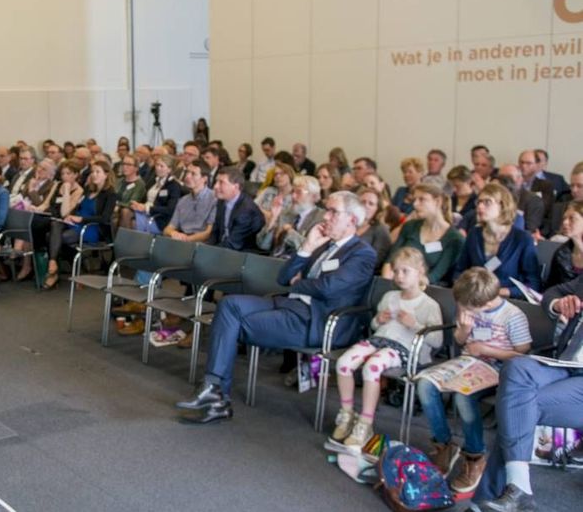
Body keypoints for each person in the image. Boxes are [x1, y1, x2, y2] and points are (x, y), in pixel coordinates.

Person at [175, 191, 377, 424]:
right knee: (229, 304)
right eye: (326, 210)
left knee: (233, 324)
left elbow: (328, 288)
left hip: (317, 321)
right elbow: (284, 277)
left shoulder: (362, 253)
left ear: (351, 219)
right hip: (290, 304)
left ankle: (216, 394)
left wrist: (300, 283)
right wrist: (307, 247)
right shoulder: (322, 245)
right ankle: (214, 389)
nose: (326, 217)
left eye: (333, 212)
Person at [416, 267, 531, 496]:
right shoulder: (468, 306)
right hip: (468, 363)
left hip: (499, 368)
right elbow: (460, 341)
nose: (465, 311)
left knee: (463, 397)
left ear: (487, 303)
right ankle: (444, 445)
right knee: (425, 385)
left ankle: (475, 455)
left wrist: (487, 349)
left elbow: (523, 355)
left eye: (469, 309)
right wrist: (465, 329)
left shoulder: (512, 316)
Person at [472, 275, 583, 510]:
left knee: (516, 407)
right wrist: (559, 304)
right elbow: (554, 292)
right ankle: (518, 486)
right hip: (567, 364)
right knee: (518, 368)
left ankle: (489, 502)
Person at [329, 248, 442, 450]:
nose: (399, 276)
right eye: (396, 271)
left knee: (372, 367)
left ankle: (365, 423)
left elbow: (437, 340)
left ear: (419, 271)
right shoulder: (390, 296)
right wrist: (378, 320)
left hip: (404, 349)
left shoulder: (429, 305)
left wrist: (414, 324)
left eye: (405, 271)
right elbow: (375, 326)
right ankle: (346, 413)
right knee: (344, 363)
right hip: (380, 340)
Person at [453, 183, 541, 299]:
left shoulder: (522, 239)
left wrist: (500, 292)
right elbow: (459, 271)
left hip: (508, 302)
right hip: (474, 298)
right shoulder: (474, 234)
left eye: (487, 202)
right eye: (478, 202)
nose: (480, 207)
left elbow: (533, 285)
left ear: (503, 205)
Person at [44, 161, 117, 290]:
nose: (94, 175)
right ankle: (54, 263)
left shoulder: (110, 194)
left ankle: (58, 272)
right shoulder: (89, 189)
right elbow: (78, 207)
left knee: (61, 238)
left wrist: (81, 219)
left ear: (106, 174)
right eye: (92, 172)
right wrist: (70, 216)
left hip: (92, 227)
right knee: (53, 228)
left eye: (97, 172)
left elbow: (104, 218)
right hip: (76, 222)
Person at [382, 184, 464, 285]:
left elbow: (435, 276)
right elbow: (391, 260)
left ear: (438, 201)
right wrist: (385, 284)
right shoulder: (409, 226)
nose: (415, 204)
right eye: (414, 200)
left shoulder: (455, 239)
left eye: (422, 199)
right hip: (398, 281)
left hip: (428, 290)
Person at [256, 175, 325, 258]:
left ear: (314, 196)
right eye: (293, 192)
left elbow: (313, 248)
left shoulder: (322, 218)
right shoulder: (285, 213)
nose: (293, 196)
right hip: (273, 262)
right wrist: (272, 219)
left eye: (299, 192)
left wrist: (289, 232)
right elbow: (262, 245)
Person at [209, 168, 264, 251]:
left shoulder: (247, 210)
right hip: (224, 248)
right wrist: (204, 248)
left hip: (243, 254)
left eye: (221, 183)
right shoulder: (221, 201)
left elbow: (234, 244)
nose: (215, 186)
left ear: (235, 187)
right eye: (216, 181)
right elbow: (215, 232)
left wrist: (209, 252)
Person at [130, 154, 181, 234]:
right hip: (146, 213)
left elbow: (169, 209)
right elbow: (145, 199)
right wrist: (139, 205)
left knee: (131, 221)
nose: (157, 168)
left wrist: (147, 208)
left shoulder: (174, 186)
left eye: (161, 166)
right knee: (127, 214)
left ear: (169, 169)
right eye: (157, 165)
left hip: (158, 219)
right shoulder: (154, 181)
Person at [544, 200, 583, 288]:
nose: (565, 222)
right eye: (564, 218)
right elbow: (551, 287)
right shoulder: (561, 253)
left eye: (571, 218)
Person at [355, 186, 392, 271]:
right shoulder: (348, 224)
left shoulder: (380, 230)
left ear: (377, 209)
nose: (365, 206)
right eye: (362, 202)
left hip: (361, 272)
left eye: (371, 204)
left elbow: (375, 261)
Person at [115, 154, 147, 229]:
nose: (125, 167)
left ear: (136, 168)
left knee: (125, 211)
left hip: (132, 211)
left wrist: (117, 205)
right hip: (116, 209)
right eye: (123, 164)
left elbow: (132, 203)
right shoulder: (119, 181)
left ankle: (123, 239)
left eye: (129, 164)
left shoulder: (140, 184)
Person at [448, 165, 477, 229]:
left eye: (458, 186)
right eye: (452, 186)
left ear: (468, 181)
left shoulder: (477, 202)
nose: (454, 190)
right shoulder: (449, 200)